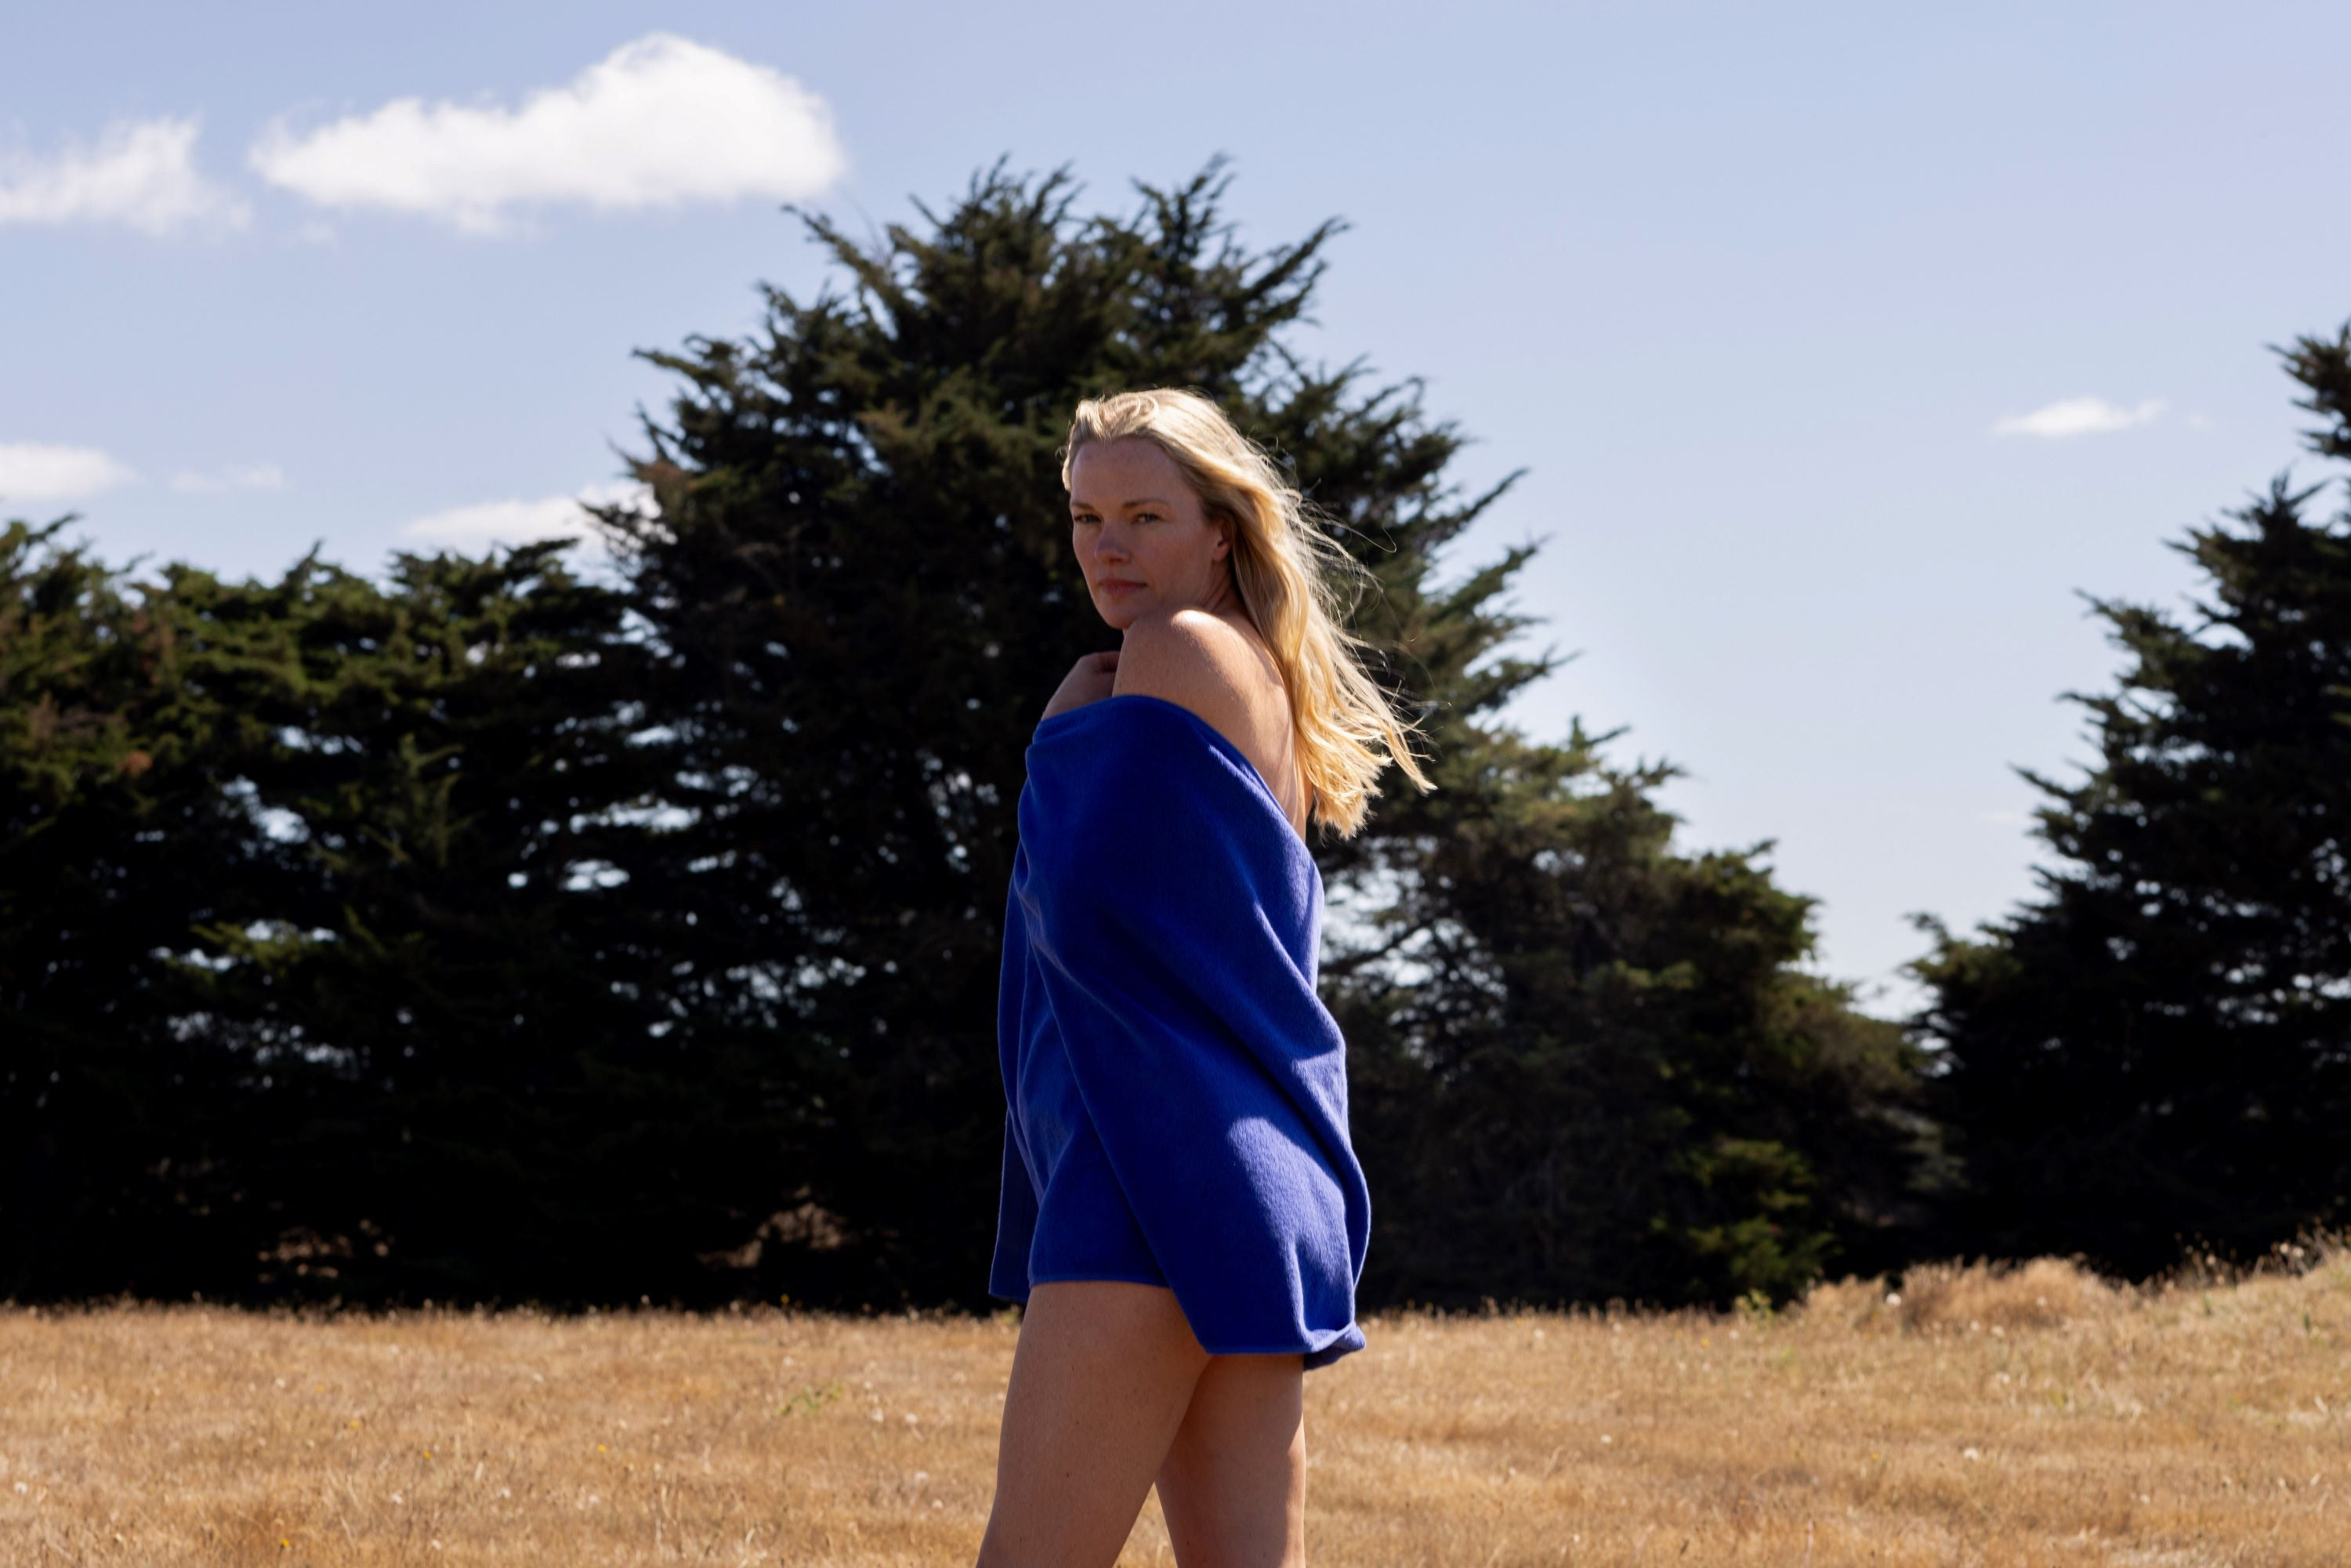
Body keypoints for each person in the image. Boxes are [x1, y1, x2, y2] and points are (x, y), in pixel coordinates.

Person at [977, 388, 1436, 1566]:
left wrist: (1056, 738)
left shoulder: (1168, 655)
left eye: (1144, 514)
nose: (1107, 546)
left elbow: (1083, 919)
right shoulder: (1256, 674)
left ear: (1222, 529)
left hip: (1153, 1169)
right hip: (1259, 1176)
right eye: (1085, 518)